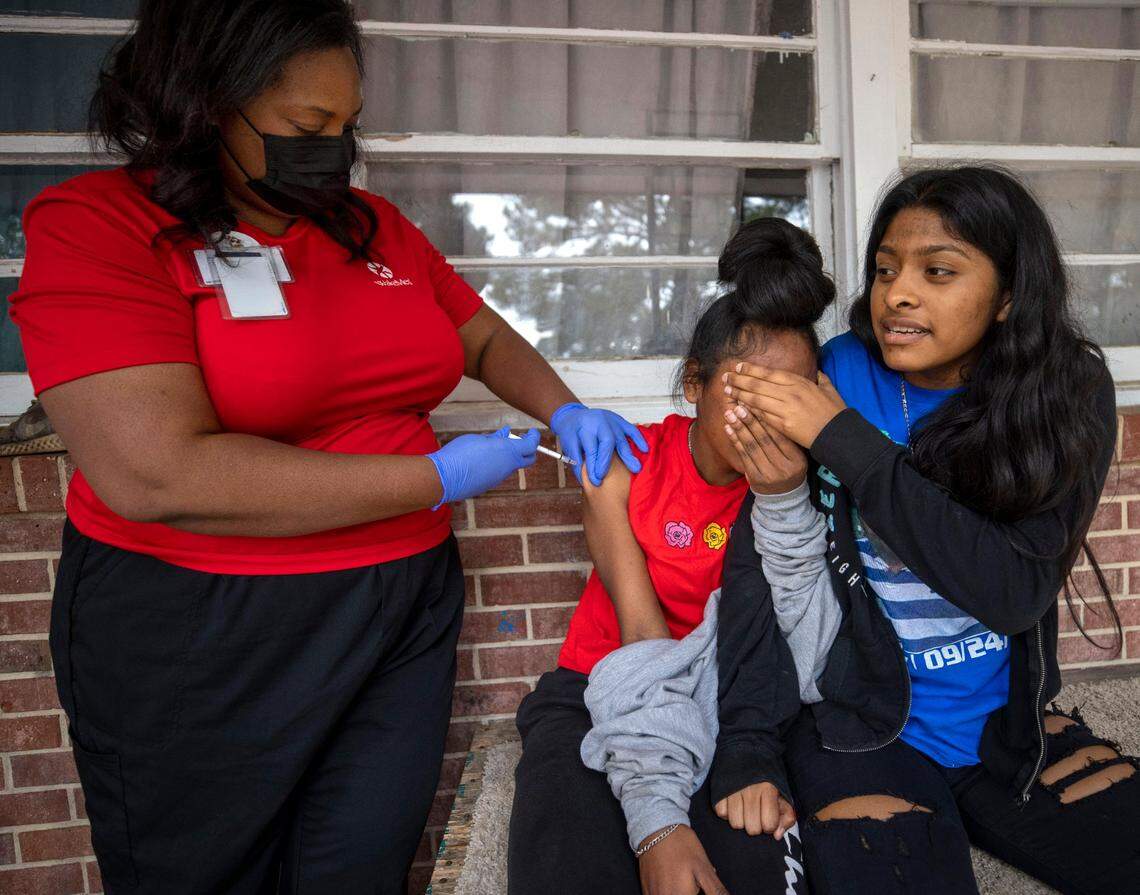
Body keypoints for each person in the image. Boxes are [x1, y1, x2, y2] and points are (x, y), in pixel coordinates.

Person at [8, 2, 645, 893]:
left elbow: (483, 338)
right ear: (203, 104)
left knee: (360, 864)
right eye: (308, 126)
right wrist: (434, 475)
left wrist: (565, 408)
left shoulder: (371, 227)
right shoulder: (98, 228)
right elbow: (157, 473)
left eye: (346, 126)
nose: (334, 149)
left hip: (400, 609)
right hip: (204, 625)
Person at [721, 166, 1140, 894]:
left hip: (1005, 729)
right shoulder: (835, 374)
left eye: (937, 270)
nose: (898, 294)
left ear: (1009, 294)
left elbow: (1012, 591)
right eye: (885, 271)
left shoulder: (1066, 393)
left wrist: (842, 438)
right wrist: (747, 749)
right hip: (860, 725)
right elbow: (760, 557)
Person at [508, 218, 837, 895]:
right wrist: (658, 819)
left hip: (735, 699)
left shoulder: (802, 480)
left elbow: (806, 657)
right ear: (694, 382)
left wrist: (787, 498)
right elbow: (641, 634)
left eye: (792, 396)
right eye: (748, 391)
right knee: (569, 858)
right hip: (606, 681)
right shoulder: (627, 467)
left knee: (760, 866)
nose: (770, 419)